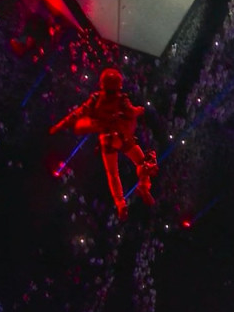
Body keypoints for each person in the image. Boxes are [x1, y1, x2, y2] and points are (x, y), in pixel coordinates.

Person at [50, 68, 157, 220]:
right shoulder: (121, 99)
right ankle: (143, 187)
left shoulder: (96, 99)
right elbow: (131, 112)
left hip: (107, 139)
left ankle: (121, 203)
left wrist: (60, 125)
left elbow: (77, 114)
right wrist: (138, 111)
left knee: (113, 174)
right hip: (121, 135)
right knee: (142, 161)